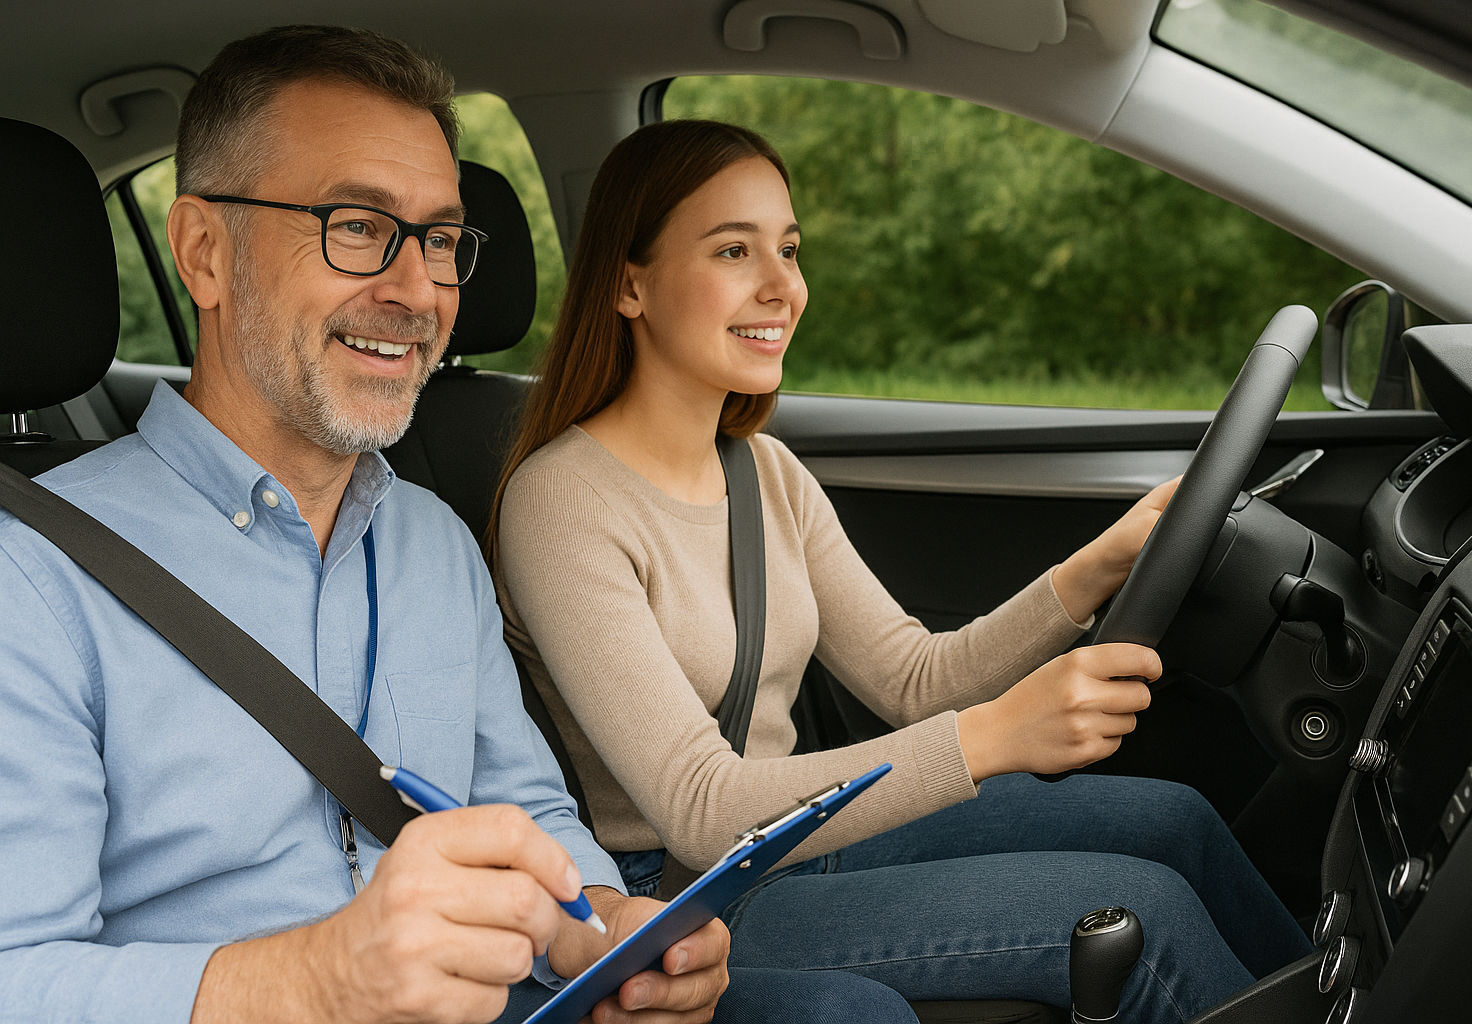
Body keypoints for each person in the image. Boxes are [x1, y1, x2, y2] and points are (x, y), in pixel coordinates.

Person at [0, 27, 772, 1024]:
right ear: (203, 254)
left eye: (440, 240)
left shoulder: (434, 542)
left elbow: (525, 814)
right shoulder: (31, 576)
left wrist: (607, 928)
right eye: (357, 226)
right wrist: (317, 982)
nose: (416, 290)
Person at [492, 119, 1316, 1023]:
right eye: (735, 249)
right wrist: (997, 736)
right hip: (693, 895)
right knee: (1140, 914)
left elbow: (915, 679)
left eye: (791, 249)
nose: (784, 287)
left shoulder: (764, 470)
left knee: (1178, 826)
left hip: (803, 831)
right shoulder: (562, 501)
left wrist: (1099, 566)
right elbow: (699, 806)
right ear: (629, 285)